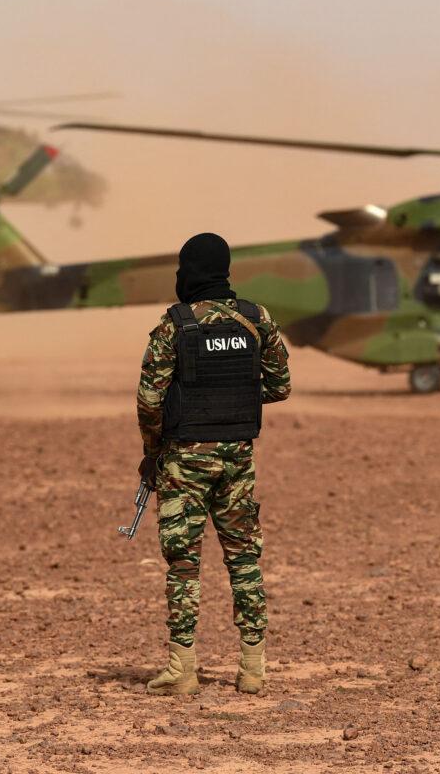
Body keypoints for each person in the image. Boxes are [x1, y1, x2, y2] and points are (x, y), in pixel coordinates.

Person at [136, 232, 291, 696]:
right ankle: (253, 668)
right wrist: (235, 401)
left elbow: (149, 400)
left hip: (184, 459)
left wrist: (152, 450)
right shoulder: (255, 319)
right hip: (238, 456)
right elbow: (280, 385)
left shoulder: (174, 325)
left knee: (184, 563)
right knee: (244, 559)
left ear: (187, 272)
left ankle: (182, 668)